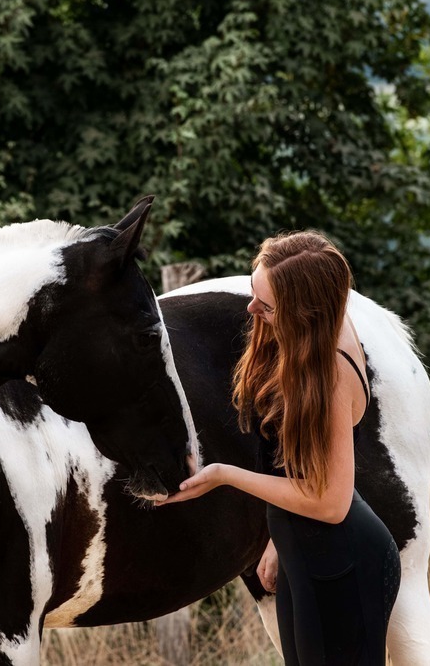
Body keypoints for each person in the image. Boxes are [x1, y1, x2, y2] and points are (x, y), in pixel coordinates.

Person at [156, 231, 401, 665]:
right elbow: (307, 465)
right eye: (254, 293)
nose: (251, 309)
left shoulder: (331, 373)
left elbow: (329, 502)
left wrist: (225, 475)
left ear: (305, 311)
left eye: (266, 306)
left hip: (343, 564)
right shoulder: (311, 341)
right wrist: (276, 542)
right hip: (304, 552)